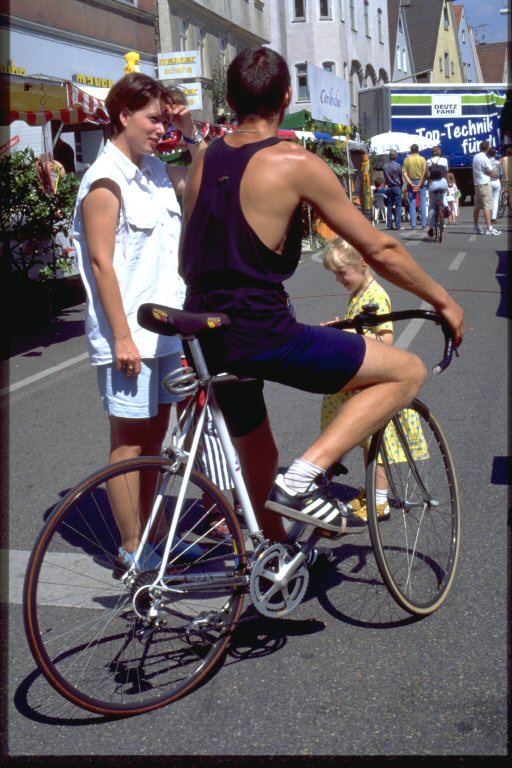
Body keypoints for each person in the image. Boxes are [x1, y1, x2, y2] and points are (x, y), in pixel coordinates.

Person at [179, 46, 465, 546]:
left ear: (230, 98)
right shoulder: (295, 161)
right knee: (407, 370)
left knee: (259, 451)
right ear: (287, 96)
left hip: (203, 328)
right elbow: (379, 248)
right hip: (260, 331)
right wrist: (442, 299)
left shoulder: (203, 158)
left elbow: (192, 250)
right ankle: (303, 478)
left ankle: (272, 556)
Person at [73, 72, 206, 570]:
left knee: (155, 441)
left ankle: (155, 536)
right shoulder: (104, 180)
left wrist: (190, 133)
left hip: (165, 332)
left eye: (164, 120)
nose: (160, 128)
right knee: (129, 443)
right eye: (153, 119)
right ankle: (132, 549)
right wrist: (122, 338)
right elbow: (102, 264)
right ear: (123, 115)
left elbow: (201, 184)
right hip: (129, 334)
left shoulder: (151, 170)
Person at [320, 238, 394, 521]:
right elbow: (361, 329)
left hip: (372, 381)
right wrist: (342, 327)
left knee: (376, 443)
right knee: (366, 442)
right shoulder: (359, 292)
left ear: (362, 264)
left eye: (342, 273)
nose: (339, 279)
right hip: (360, 378)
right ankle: (371, 493)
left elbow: (385, 340)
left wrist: (347, 334)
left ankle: (380, 502)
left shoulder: (375, 296)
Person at [472, 140, 501, 236]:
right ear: (487, 148)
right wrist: (496, 175)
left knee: (477, 206)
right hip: (484, 183)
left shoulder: (476, 157)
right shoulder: (484, 158)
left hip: (477, 183)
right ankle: (489, 228)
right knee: (487, 206)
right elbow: (491, 171)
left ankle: (475, 227)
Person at [402, 143, 427, 230]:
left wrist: (411, 183)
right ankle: (423, 224)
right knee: (423, 202)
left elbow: (404, 174)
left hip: (411, 182)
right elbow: (424, 173)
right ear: (418, 150)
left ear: (411, 150)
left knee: (412, 203)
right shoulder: (422, 159)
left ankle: (413, 225)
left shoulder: (407, 160)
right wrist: (420, 183)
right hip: (421, 181)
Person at [426, 145, 449, 238]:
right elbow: (446, 173)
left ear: (432, 153)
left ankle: (431, 228)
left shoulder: (428, 161)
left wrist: (426, 184)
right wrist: (448, 185)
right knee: (443, 194)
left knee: (432, 206)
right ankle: (446, 207)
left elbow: (427, 175)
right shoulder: (444, 160)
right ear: (440, 152)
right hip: (443, 183)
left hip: (433, 184)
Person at [382, 150, 403, 230]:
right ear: (396, 156)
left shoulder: (385, 166)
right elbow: (400, 177)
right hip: (397, 186)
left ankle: (389, 225)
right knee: (398, 206)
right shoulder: (398, 166)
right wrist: (401, 184)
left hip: (389, 187)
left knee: (389, 206)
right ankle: (397, 225)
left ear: (389, 157)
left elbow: (385, 177)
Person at [486, 146, 501, 223]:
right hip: (496, 181)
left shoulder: (486, 162)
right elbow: (500, 173)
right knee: (495, 200)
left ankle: (488, 217)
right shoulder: (498, 162)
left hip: (488, 181)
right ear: (495, 154)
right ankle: (493, 218)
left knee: (488, 201)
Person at [500, 147, 512, 212]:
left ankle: (504, 202)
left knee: (506, 192)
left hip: (504, 179)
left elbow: (498, 167)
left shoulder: (502, 159)